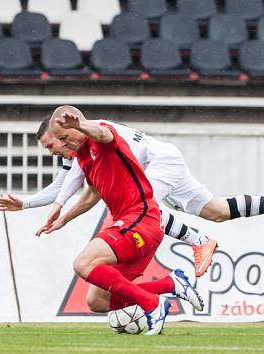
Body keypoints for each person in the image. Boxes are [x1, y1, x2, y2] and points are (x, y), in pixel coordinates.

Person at [0, 115, 264, 277]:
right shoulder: (77, 152)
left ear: (60, 133)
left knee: (145, 207)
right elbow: (64, 190)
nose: (52, 152)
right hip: (165, 159)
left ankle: (198, 240)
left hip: (159, 163)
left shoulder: (87, 135)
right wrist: (26, 204)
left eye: (50, 145)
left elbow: (98, 135)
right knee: (217, 210)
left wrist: (81, 123)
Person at [40, 105, 204, 335]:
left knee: (82, 264)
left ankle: (153, 304)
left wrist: (80, 125)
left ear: (78, 126)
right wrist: (64, 218)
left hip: (140, 217)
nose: (63, 145)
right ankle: (170, 285)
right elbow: (91, 196)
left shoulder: (101, 136)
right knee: (98, 301)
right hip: (135, 224)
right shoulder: (85, 157)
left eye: (65, 137)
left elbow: (101, 133)